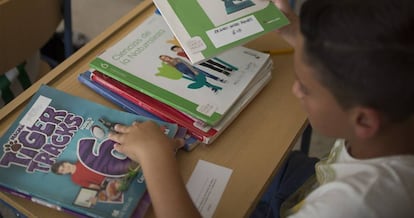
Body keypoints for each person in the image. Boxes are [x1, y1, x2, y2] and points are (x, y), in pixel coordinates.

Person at [108, 0, 414, 217]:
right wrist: (301, 39)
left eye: (305, 87)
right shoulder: (396, 111)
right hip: (310, 181)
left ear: (363, 119)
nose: (295, 90)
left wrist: (156, 158)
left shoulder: (355, 205)